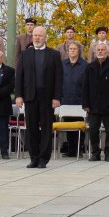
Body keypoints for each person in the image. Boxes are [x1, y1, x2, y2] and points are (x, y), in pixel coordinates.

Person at [15, 25, 63, 168]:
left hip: (48, 98)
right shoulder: (25, 54)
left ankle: (43, 159)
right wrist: (18, 95)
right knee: (31, 129)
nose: (37, 38)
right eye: (35, 35)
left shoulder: (54, 54)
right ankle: (34, 158)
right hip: (30, 96)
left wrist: (57, 97)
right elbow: (19, 77)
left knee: (47, 129)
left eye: (40, 35)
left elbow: (58, 77)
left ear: (45, 37)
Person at [83, 42, 109, 161]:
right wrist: (85, 104)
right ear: (95, 52)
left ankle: (108, 153)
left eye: (103, 50)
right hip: (93, 105)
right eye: (98, 50)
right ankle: (95, 153)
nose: (100, 51)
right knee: (93, 130)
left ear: (107, 52)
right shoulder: (89, 67)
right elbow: (85, 86)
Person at [60, 41, 88, 156]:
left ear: (79, 51)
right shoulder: (62, 64)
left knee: (79, 125)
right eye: (70, 49)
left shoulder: (85, 65)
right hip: (65, 99)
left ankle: (79, 149)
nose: (72, 50)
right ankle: (71, 150)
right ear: (67, 51)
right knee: (68, 125)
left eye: (74, 49)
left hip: (79, 100)